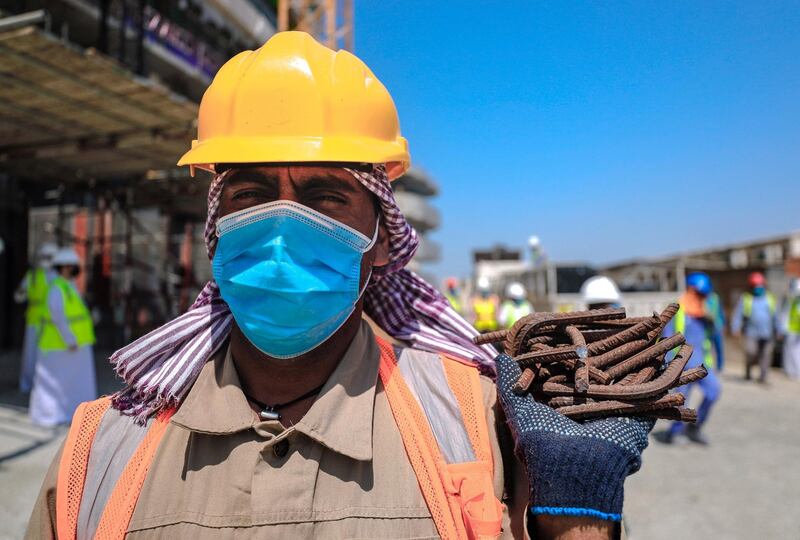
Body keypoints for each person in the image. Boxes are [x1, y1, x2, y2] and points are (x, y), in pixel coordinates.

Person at [28, 32, 653, 540]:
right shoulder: (102, 448)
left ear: (382, 239)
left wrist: (574, 520)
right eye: (250, 194)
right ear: (215, 229)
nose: (281, 228)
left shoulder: (475, 421)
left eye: (325, 198)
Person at [29, 247, 97, 427]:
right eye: (74, 265)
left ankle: (70, 413)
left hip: (73, 345)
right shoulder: (57, 288)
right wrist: (70, 339)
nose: (76, 269)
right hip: (61, 345)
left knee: (71, 383)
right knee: (54, 383)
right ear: (66, 267)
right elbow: (57, 316)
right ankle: (50, 416)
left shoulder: (68, 286)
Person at [658, 272, 722, 445]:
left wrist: (712, 319)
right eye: (699, 294)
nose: (701, 298)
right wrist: (666, 365)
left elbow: (715, 335)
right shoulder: (678, 310)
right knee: (680, 401)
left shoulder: (706, 313)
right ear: (691, 290)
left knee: (714, 391)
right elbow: (666, 338)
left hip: (703, 364)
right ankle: (675, 432)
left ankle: (695, 427)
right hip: (682, 365)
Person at [14, 242, 57, 392]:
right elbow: (19, 295)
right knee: (30, 355)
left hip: (52, 322)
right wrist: (21, 294)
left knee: (50, 355)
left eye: (49, 256)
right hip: (34, 320)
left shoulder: (58, 277)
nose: (46, 259)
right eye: (44, 256)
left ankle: (47, 385)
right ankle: (27, 383)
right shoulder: (31, 276)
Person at [731, 271, 777, 382]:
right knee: (751, 352)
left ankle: (763, 377)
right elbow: (738, 314)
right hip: (751, 332)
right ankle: (748, 372)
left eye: (759, 285)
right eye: (755, 286)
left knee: (766, 355)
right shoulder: (746, 298)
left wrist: (779, 329)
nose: (757, 288)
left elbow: (775, 315)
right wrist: (735, 327)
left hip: (767, 332)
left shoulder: (770, 298)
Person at [780, 278, 800, 380]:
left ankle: (795, 372)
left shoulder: (792, 299)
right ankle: (790, 371)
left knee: (794, 351)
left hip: (794, 330)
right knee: (790, 351)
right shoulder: (791, 299)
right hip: (791, 329)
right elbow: (785, 314)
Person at [704, 290, 726, 372]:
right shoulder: (702, 298)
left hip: (717, 327)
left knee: (719, 347)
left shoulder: (715, 298)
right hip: (707, 328)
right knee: (707, 347)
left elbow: (720, 311)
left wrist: (723, 324)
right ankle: (707, 366)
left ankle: (720, 366)